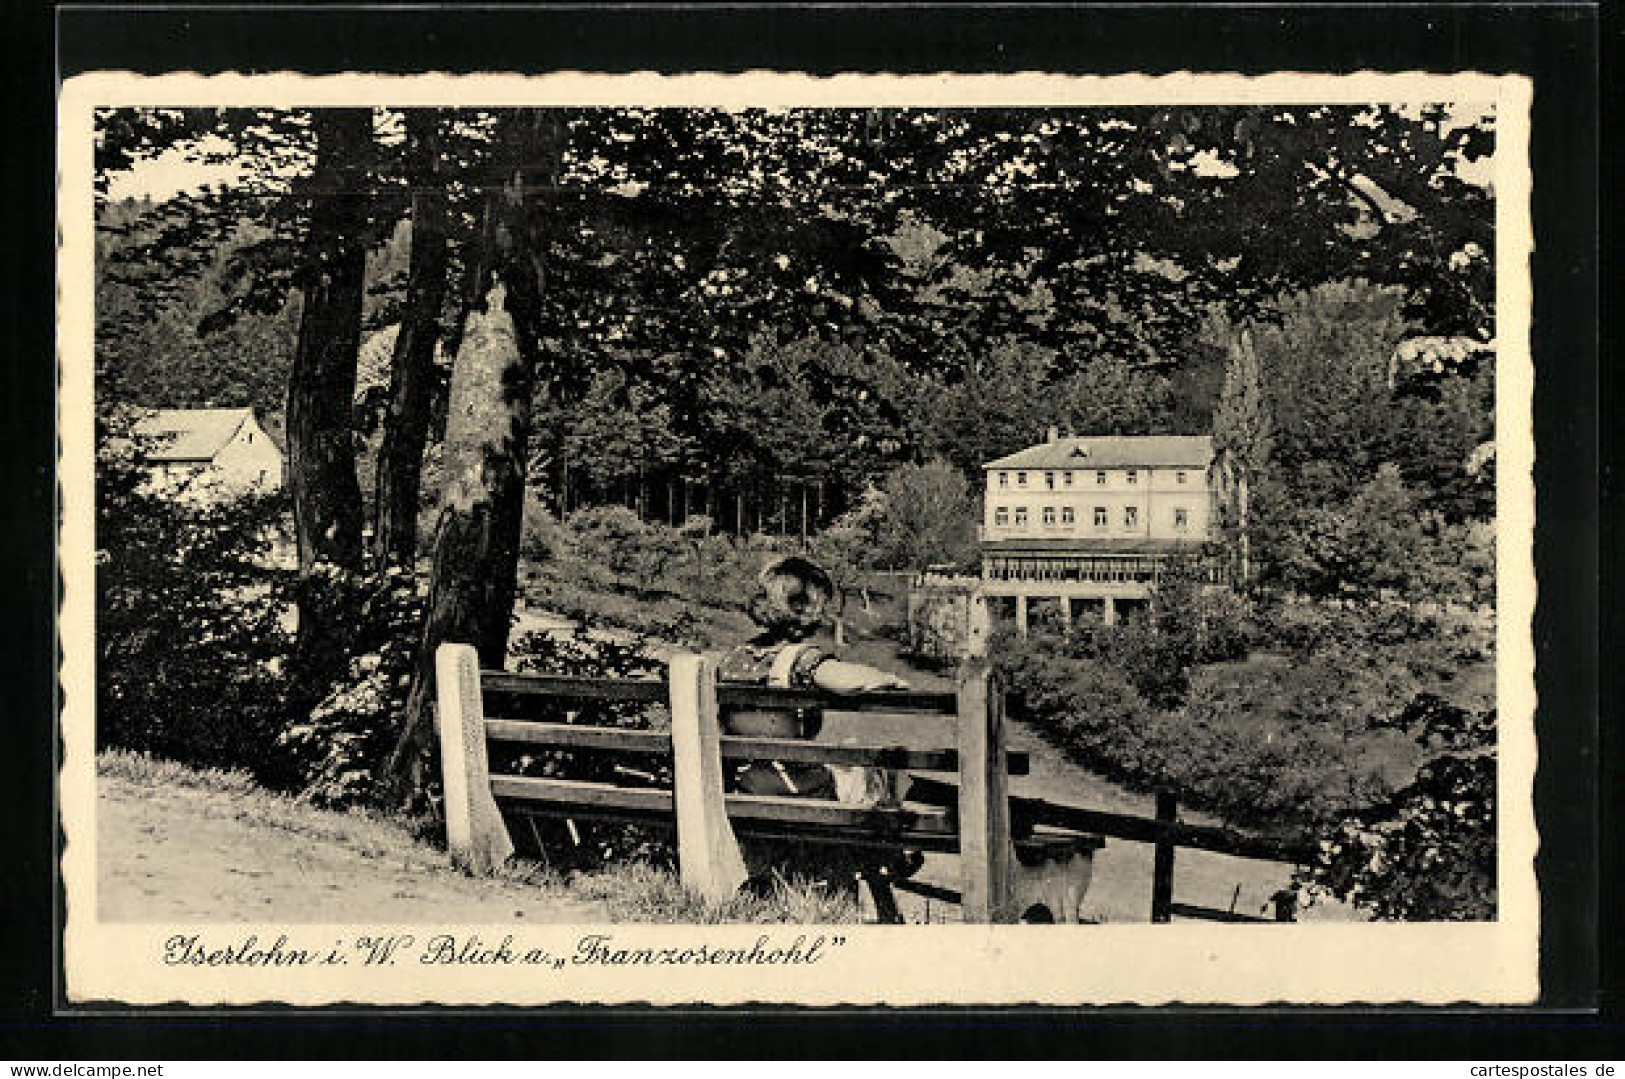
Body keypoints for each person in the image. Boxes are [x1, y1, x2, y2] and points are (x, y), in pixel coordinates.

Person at [714, 555, 915, 889]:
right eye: (819, 605)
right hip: (795, 787)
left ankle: (884, 857)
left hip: (748, 784)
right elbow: (848, 680)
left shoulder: (734, 658)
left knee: (857, 766)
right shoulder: (799, 658)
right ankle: (891, 855)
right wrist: (886, 678)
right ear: (802, 608)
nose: (823, 613)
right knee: (883, 767)